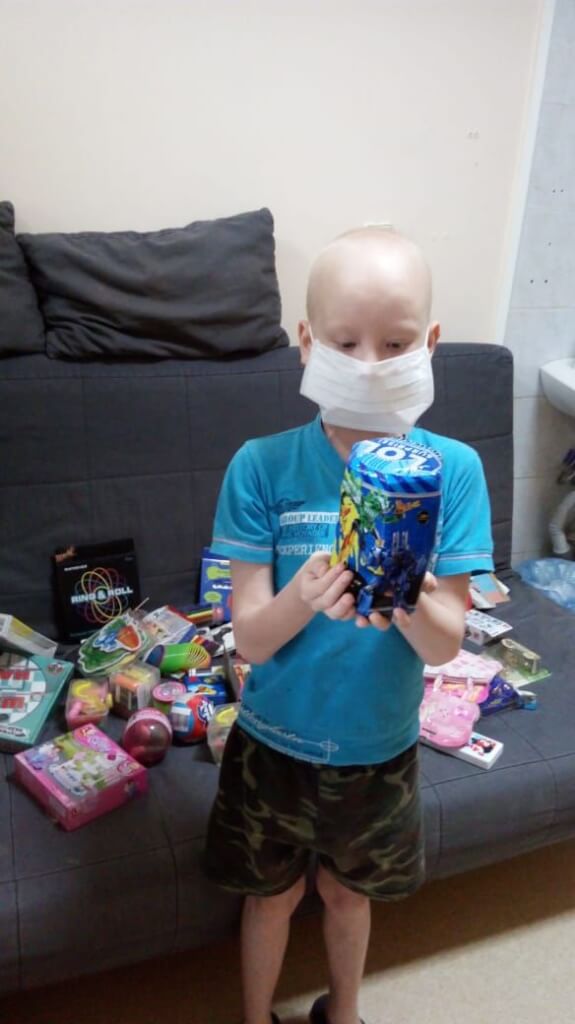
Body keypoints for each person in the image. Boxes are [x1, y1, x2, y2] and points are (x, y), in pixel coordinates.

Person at [204, 226, 494, 1024]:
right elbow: (250, 639)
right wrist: (303, 592)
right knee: (268, 898)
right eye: (344, 342)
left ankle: (344, 1012)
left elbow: (443, 642)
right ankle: (255, 1014)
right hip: (272, 741)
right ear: (306, 344)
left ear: (429, 344)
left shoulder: (451, 471)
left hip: (379, 748)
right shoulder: (260, 465)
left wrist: (399, 589)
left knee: (346, 894)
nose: (369, 363)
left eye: (395, 343)